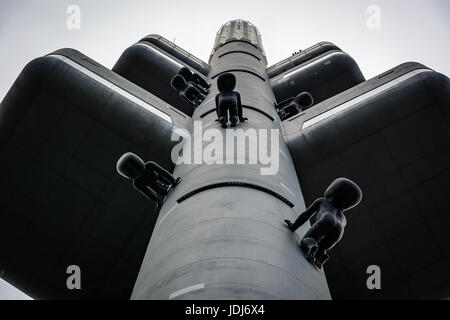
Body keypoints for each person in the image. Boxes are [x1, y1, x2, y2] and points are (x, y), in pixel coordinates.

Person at [284, 178, 362, 269]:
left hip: (328, 218)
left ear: (332, 190)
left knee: (309, 239)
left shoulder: (323, 201)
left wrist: (293, 226)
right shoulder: (344, 219)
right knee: (323, 246)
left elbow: (306, 215)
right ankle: (322, 255)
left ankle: (312, 247)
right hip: (340, 228)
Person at [116, 152, 181, 209]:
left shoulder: (138, 181)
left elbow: (163, 173)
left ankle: (165, 187)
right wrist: (173, 181)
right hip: (155, 180)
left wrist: (173, 181)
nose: (138, 172)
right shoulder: (148, 167)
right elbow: (148, 193)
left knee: (160, 185)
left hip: (157, 178)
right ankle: (164, 188)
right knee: (160, 190)